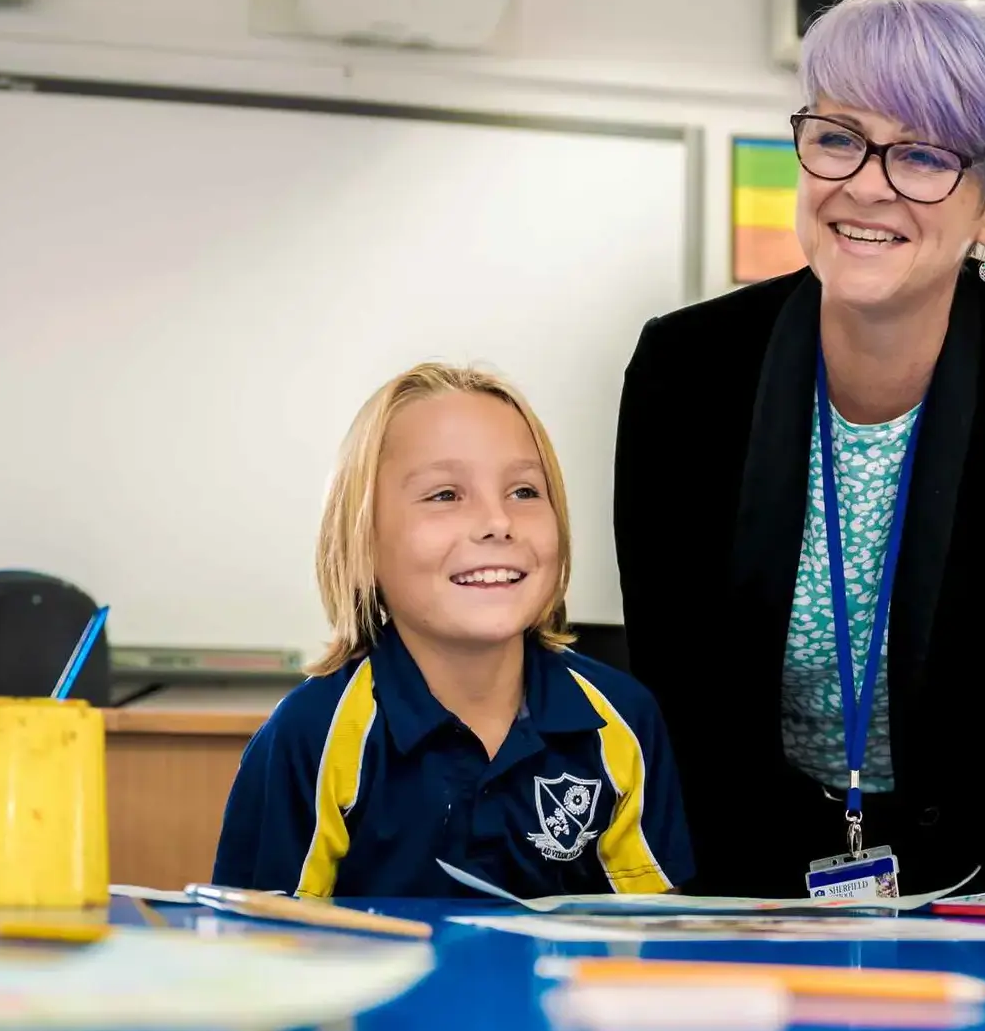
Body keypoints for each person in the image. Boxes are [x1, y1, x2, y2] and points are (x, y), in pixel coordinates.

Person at [615, 0, 985, 898]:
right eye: (836, 136)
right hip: (743, 870)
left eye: (924, 154)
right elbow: (677, 679)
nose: (866, 183)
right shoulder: (688, 366)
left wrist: (956, 889)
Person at [215, 362, 692, 898]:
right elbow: (261, 950)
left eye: (524, 492)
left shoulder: (622, 721)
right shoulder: (311, 736)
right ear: (362, 541)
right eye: (445, 495)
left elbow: (653, 937)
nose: (498, 521)